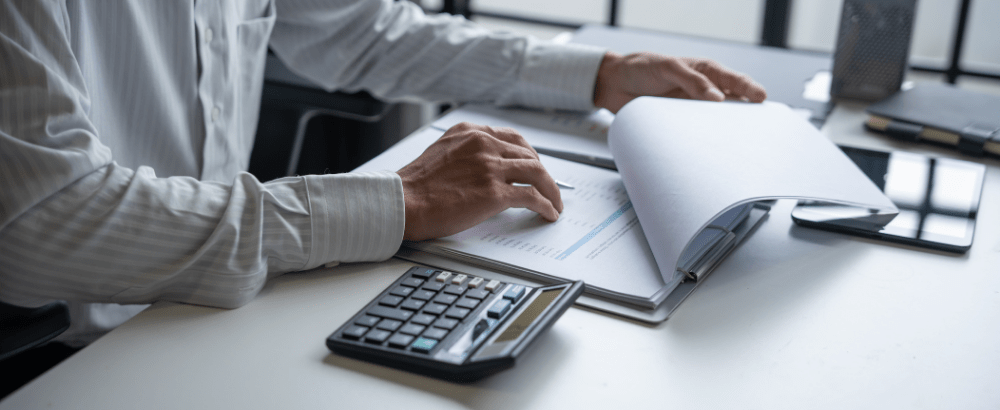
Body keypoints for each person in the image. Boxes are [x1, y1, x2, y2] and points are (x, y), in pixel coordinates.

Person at [0, 0, 766, 346]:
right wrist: (400, 201)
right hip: (72, 346)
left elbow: (365, 32)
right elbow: (42, 223)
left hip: (213, 312)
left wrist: (595, 74)